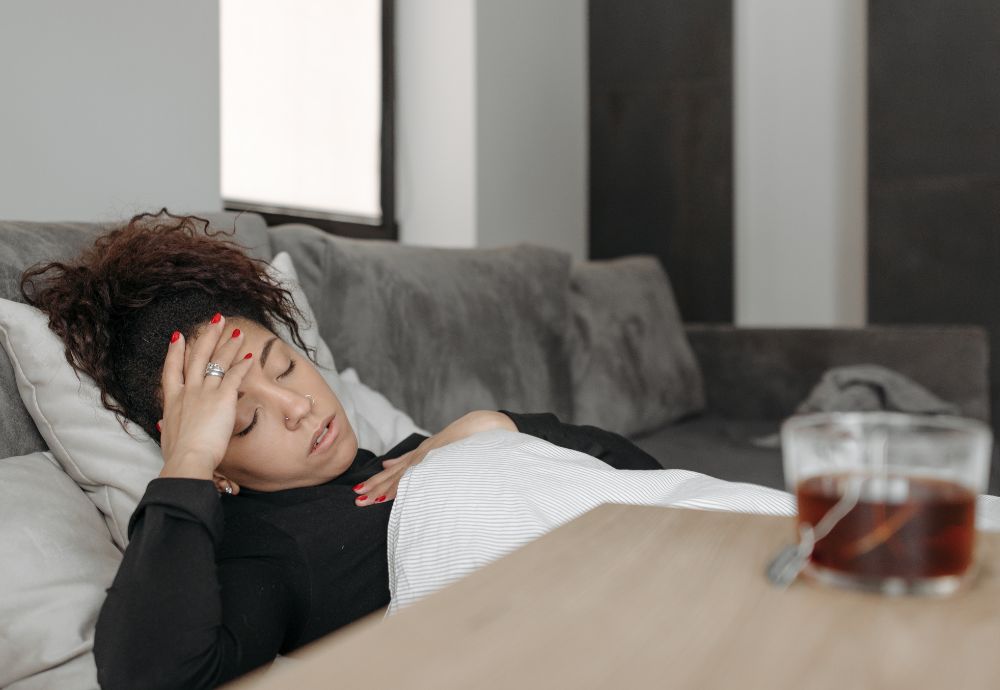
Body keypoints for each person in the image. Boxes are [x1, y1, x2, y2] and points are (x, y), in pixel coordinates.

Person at [21, 210, 662, 690]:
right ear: (217, 462)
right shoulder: (269, 548)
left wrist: (493, 426)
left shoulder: (416, 452)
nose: (300, 407)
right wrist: (185, 462)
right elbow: (148, 675)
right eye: (244, 422)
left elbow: (642, 479)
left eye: (285, 367)